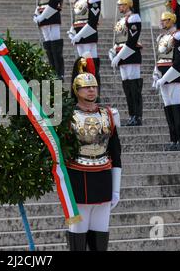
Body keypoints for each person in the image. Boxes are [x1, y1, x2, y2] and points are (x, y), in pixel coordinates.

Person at [66, 53, 122, 251]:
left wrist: (116, 188)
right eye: (86, 87)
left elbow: (116, 154)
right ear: (76, 89)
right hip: (78, 178)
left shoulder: (108, 114)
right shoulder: (68, 115)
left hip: (103, 177)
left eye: (94, 86)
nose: (91, 90)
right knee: (78, 231)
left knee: (101, 232)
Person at [153, 0, 180, 151]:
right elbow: (159, 59)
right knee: (168, 108)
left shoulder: (179, 36)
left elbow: (179, 62)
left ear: (172, 21)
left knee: (175, 107)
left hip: (173, 75)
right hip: (162, 75)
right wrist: (156, 74)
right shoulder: (163, 37)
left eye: (165, 21)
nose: (162, 23)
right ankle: (173, 139)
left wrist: (165, 78)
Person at [110, 0, 143, 126]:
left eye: (121, 5)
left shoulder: (134, 19)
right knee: (127, 89)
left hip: (131, 56)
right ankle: (131, 115)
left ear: (128, 5)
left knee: (134, 88)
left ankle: (137, 115)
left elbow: (131, 41)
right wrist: (113, 51)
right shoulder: (121, 21)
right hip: (123, 57)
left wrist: (119, 56)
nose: (119, 8)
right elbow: (119, 40)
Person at [68, 0, 101, 99]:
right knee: (81, 64)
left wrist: (79, 35)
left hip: (88, 35)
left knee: (90, 65)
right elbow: (76, 19)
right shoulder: (79, 0)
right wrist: (72, 32)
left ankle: (94, 94)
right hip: (79, 35)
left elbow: (92, 22)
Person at [33, 0, 64, 79]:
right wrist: (36, 13)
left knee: (55, 44)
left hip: (51, 16)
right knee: (48, 45)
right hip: (43, 16)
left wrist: (42, 16)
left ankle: (59, 72)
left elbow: (54, 2)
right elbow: (40, 1)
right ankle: (52, 69)